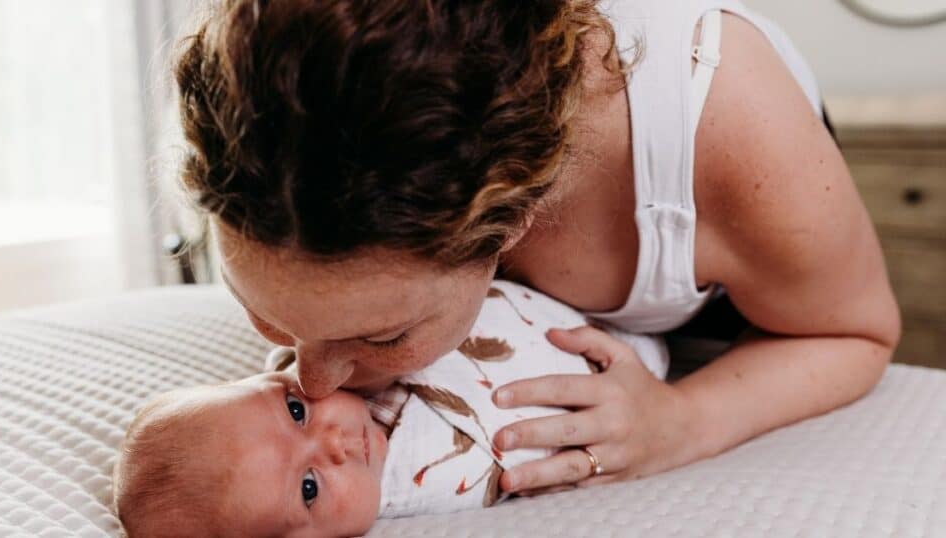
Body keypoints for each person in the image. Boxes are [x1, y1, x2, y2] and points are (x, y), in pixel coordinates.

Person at [172, 0, 900, 495]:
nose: (317, 381)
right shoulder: (290, 158)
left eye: (382, 333)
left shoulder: (733, 128)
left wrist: (687, 421)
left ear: (518, 216)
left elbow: (855, 331)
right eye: (268, 314)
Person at [112, 282, 669, 536]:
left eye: (295, 413)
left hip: (574, 294)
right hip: (633, 370)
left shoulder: (314, 351)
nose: (334, 442)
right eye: (309, 488)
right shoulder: (421, 481)